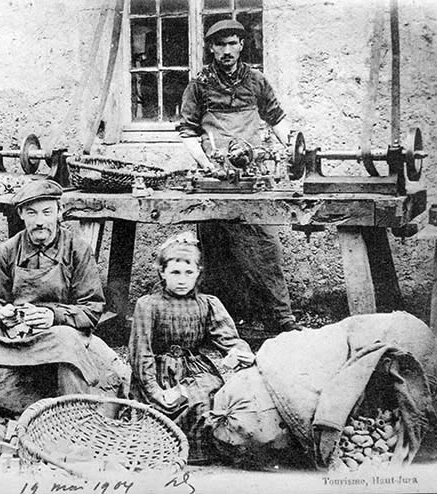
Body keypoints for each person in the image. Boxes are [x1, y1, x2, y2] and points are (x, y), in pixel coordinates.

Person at [0, 180, 106, 452]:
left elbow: (92, 309)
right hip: (15, 335)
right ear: (21, 215)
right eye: (32, 213)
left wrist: (53, 316)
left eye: (47, 212)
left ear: (59, 212)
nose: (40, 222)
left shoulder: (77, 250)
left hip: (55, 333)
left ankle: (78, 426)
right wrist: (1, 313)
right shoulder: (8, 251)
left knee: (66, 340)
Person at [177, 19, 301, 332]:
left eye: (233, 43)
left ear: (242, 45)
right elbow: (188, 132)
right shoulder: (199, 85)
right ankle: (225, 326)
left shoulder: (256, 80)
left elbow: (277, 119)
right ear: (211, 48)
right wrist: (206, 163)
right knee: (217, 254)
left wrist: (297, 149)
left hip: (252, 178)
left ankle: (281, 320)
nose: (227, 50)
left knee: (263, 248)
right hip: (216, 180)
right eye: (220, 45)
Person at [128, 231, 255, 463]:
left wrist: (239, 352)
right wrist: (155, 390)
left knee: (212, 399)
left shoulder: (207, 303)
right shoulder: (148, 305)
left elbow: (227, 338)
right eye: (175, 272)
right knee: (169, 405)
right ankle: (169, 451)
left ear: (198, 274)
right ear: (162, 273)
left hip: (196, 368)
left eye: (189, 273)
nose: (182, 279)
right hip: (160, 370)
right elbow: (141, 353)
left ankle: (205, 454)